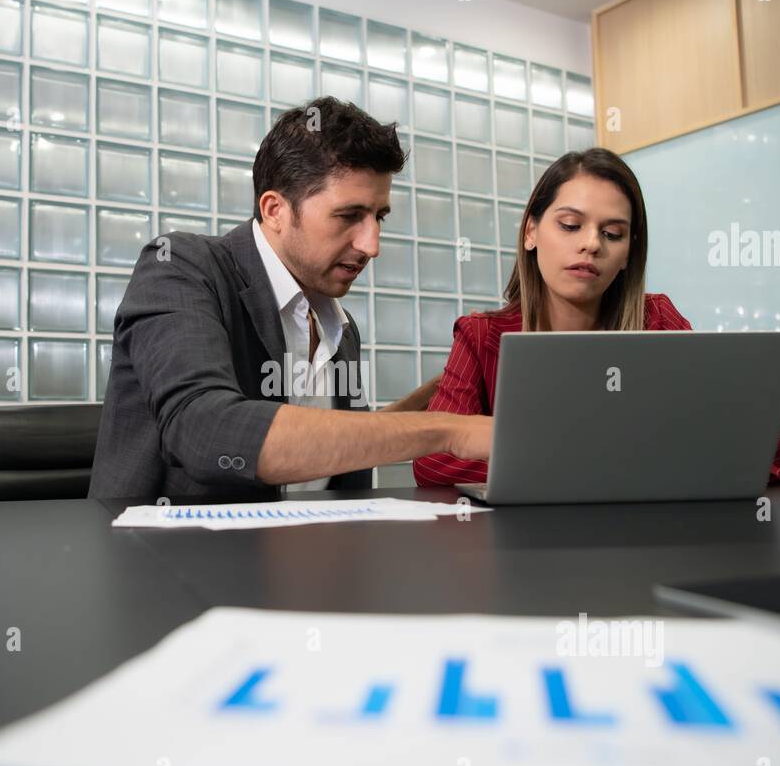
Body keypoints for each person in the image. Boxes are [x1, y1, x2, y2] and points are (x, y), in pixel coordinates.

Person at [90, 97, 489, 500]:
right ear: (275, 209)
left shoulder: (340, 329)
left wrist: (449, 387)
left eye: (378, 217)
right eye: (349, 215)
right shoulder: (180, 267)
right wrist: (449, 432)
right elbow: (206, 430)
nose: (372, 245)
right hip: (167, 557)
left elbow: (337, 443)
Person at [414, 147, 780, 487]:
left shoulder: (656, 320)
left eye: (612, 234)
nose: (591, 245)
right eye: (571, 225)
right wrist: (625, 458)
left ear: (628, 255)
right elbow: (432, 460)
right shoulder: (481, 335)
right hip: (523, 556)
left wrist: (558, 462)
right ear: (530, 233)